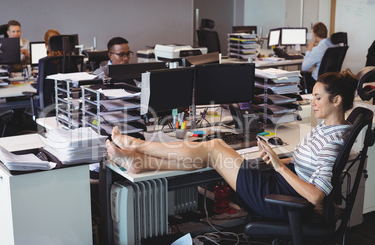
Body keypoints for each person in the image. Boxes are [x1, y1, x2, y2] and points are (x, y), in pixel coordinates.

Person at [105, 69, 357, 220]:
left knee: (214, 147)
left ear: (336, 100)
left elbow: (315, 195)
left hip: (279, 197)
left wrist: (279, 166)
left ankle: (137, 145)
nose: (311, 102)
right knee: (211, 156)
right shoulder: (326, 128)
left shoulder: (333, 140)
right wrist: (279, 161)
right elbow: (308, 170)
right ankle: (138, 162)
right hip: (280, 183)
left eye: (317, 97)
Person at [301, 22, 337, 93]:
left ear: (315, 34)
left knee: (302, 75)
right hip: (332, 79)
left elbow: (305, 67)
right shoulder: (335, 46)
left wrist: (309, 50)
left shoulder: (317, 49)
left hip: (318, 81)